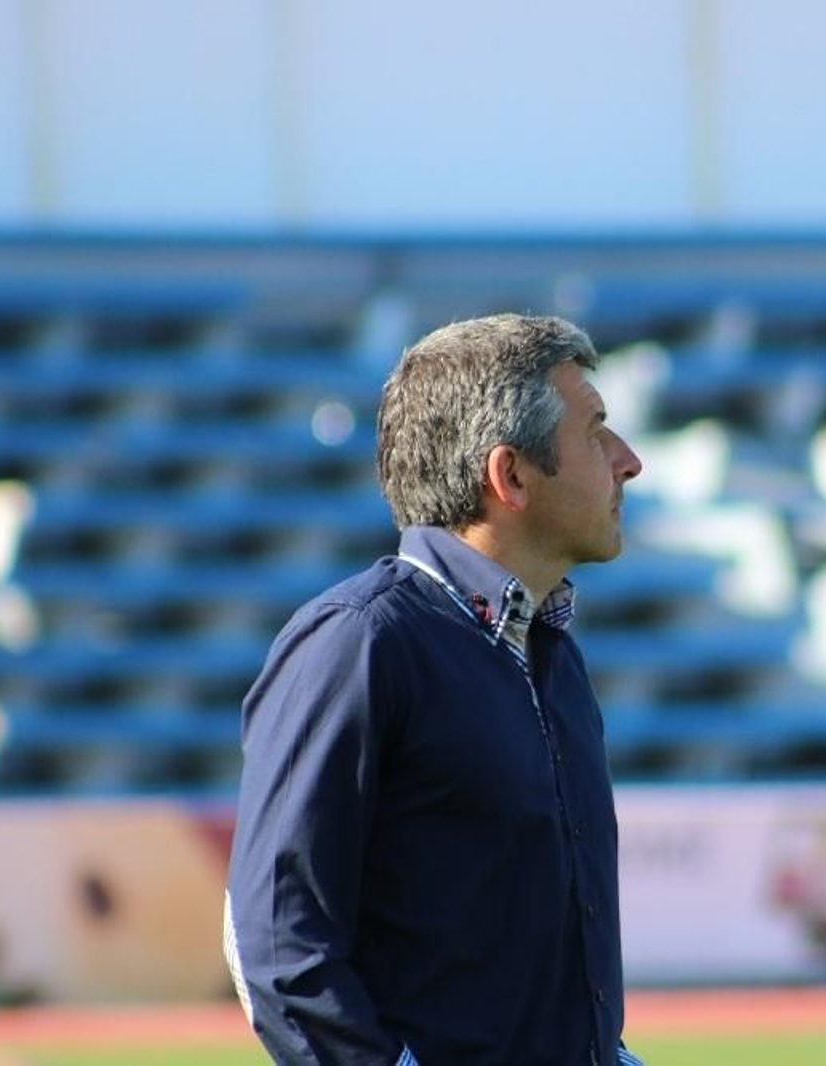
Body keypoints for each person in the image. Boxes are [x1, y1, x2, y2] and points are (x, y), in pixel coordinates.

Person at [225, 314, 647, 1065]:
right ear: (510, 476)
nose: (628, 461)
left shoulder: (550, 652)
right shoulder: (359, 643)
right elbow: (277, 943)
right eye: (595, 433)